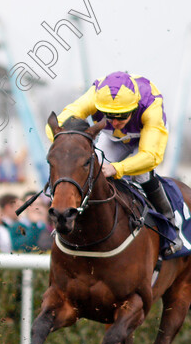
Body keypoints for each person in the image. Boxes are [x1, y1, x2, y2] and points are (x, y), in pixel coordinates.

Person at [46, 71, 182, 255]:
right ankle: (73, 220)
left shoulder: (151, 107)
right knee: (91, 171)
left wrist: (117, 168)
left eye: (122, 116)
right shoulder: (95, 95)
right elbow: (58, 124)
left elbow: (151, 157)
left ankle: (170, 225)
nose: (116, 122)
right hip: (112, 140)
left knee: (141, 174)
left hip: (143, 138)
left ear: (134, 108)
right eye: (109, 116)